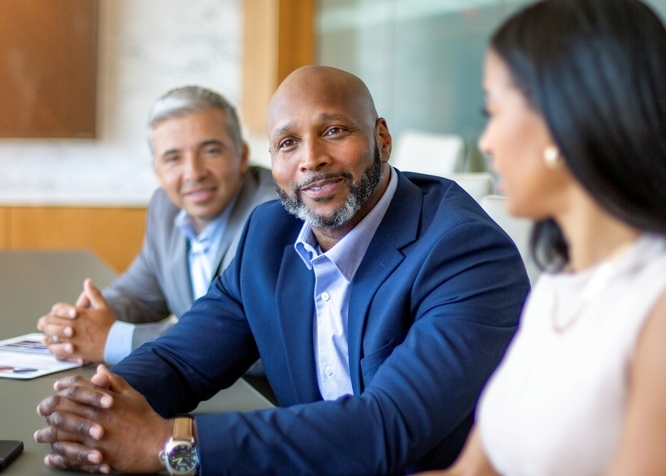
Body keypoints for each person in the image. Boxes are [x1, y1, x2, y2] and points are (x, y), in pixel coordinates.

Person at [33, 65, 530, 475]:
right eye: (288, 143)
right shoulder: (269, 234)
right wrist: (97, 404)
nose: (311, 159)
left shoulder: (464, 250)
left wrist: (169, 442)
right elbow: (184, 358)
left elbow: (388, 427)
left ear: (381, 137)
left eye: (333, 131)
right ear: (271, 159)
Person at [416, 1, 666, 475]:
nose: (486, 142)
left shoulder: (655, 303)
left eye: (494, 111)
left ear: (564, 115)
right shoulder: (557, 284)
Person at [36, 86, 277, 365]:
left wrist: (113, 340)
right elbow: (138, 296)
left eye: (211, 151)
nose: (194, 173)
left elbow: (246, 334)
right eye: (173, 158)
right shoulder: (166, 206)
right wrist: (81, 320)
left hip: (267, 396)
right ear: (157, 170)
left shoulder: (272, 212)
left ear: (242, 155)